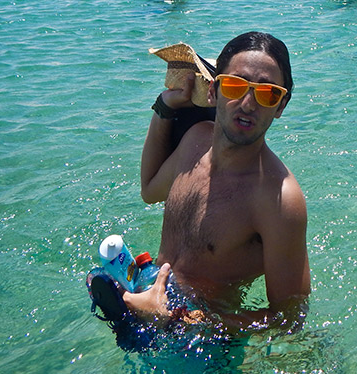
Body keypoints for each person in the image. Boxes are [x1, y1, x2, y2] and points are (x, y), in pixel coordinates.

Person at [123, 31, 311, 332]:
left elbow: (289, 317)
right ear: (213, 91)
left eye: (267, 93)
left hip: (206, 343)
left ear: (281, 106)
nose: (248, 103)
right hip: (151, 304)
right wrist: (164, 106)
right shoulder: (194, 142)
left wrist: (178, 319)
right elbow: (149, 191)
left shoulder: (279, 199)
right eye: (236, 85)